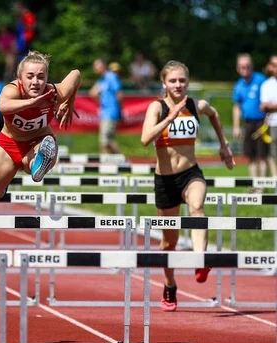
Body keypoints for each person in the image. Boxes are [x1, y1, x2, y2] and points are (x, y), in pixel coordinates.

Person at [140, 60, 235, 312]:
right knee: (168, 243)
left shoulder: (195, 105)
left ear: (187, 82)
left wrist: (224, 145)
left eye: (182, 80)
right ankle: (170, 285)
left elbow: (214, 115)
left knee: (197, 206)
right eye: (173, 80)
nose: (178, 84)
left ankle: (200, 258)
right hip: (166, 181)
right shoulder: (157, 107)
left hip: (191, 174)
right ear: (164, 83)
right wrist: (169, 118)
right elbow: (145, 139)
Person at [0, 51, 81, 215]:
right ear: (20, 79)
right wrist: (31, 103)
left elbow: (75, 74)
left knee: (33, 165)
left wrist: (70, 100)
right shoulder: (11, 90)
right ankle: (1, 184)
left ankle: (38, 161)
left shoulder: (54, 94)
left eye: (41, 77)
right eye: (30, 77)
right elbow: (2, 106)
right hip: (7, 144)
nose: (36, 82)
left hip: (39, 141)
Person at [232, 53, 267, 182]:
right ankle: (254, 184)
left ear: (251, 66)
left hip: (262, 122)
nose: (245, 69)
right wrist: (236, 126)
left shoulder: (261, 80)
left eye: (247, 66)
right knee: (250, 155)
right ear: (238, 68)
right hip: (248, 122)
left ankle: (262, 185)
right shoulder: (238, 85)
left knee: (262, 155)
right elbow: (237, 106)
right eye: (242, 67)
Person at [89, 58, 123, 154]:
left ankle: (107, 162)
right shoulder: (102, 80)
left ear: (104, 66)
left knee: (105, 139)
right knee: (109, 139)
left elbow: (119, 94)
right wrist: (100, 100)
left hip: (112, 112)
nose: (95, 68)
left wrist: (120, 110)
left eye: (97, 65)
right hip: (104, 112)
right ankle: (120, 161)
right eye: (94, 66)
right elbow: (92, 93)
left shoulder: (111, 77)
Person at [260, 54, 277, 176]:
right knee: (274, 156)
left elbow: (268, 107)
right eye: (275, 65)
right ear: (270, 67)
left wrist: (272, 107)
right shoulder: (266, 85)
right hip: (274, 124)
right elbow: (264, 106)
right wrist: (269, 107)